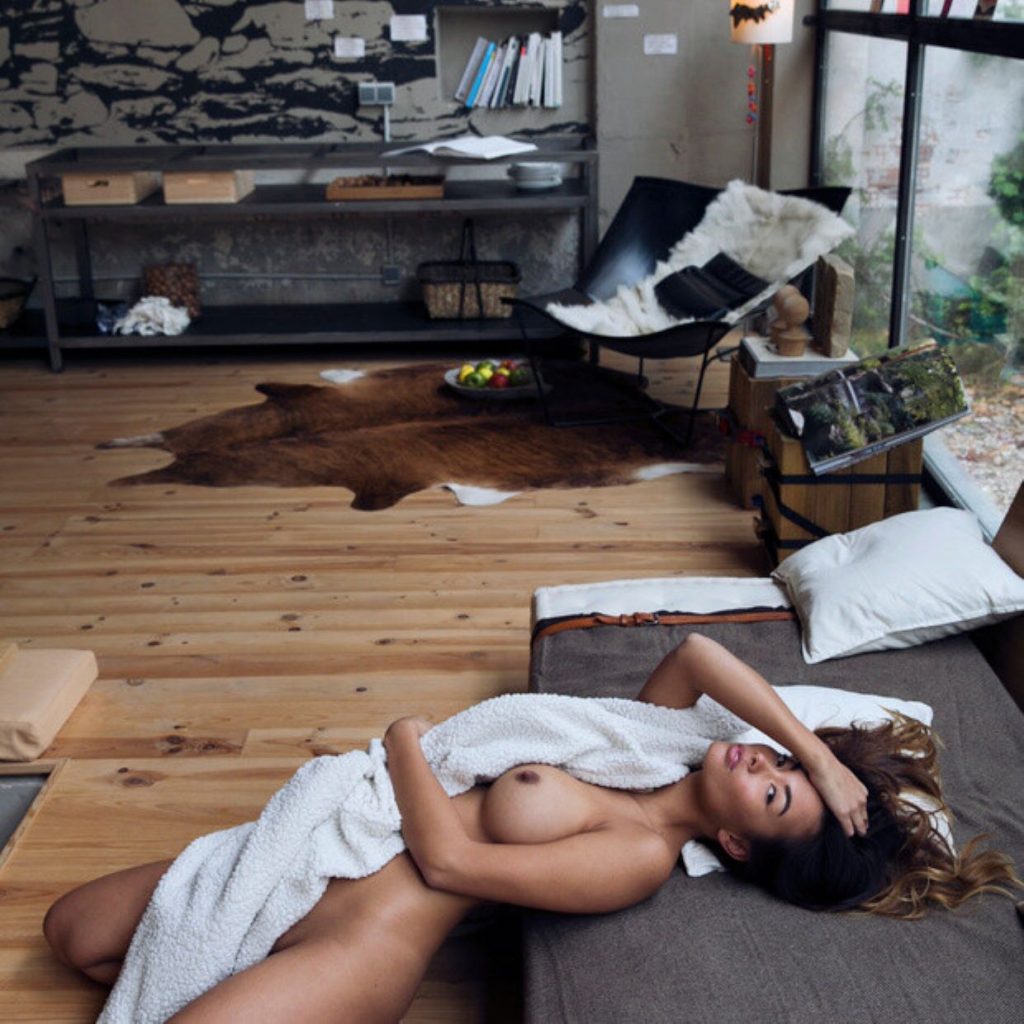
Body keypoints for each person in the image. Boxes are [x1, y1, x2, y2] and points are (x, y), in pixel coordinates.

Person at [42, 634, 1020, 1023]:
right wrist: (817, 756)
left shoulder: (635, 855)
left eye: (772, 796)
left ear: (734, 846)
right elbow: (698, 653)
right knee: (72, 934)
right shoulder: (648, 739)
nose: (759, 765)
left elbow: (449, 857)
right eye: (776, 764)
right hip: (321, 843)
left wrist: (404, 739)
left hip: (366, 938)